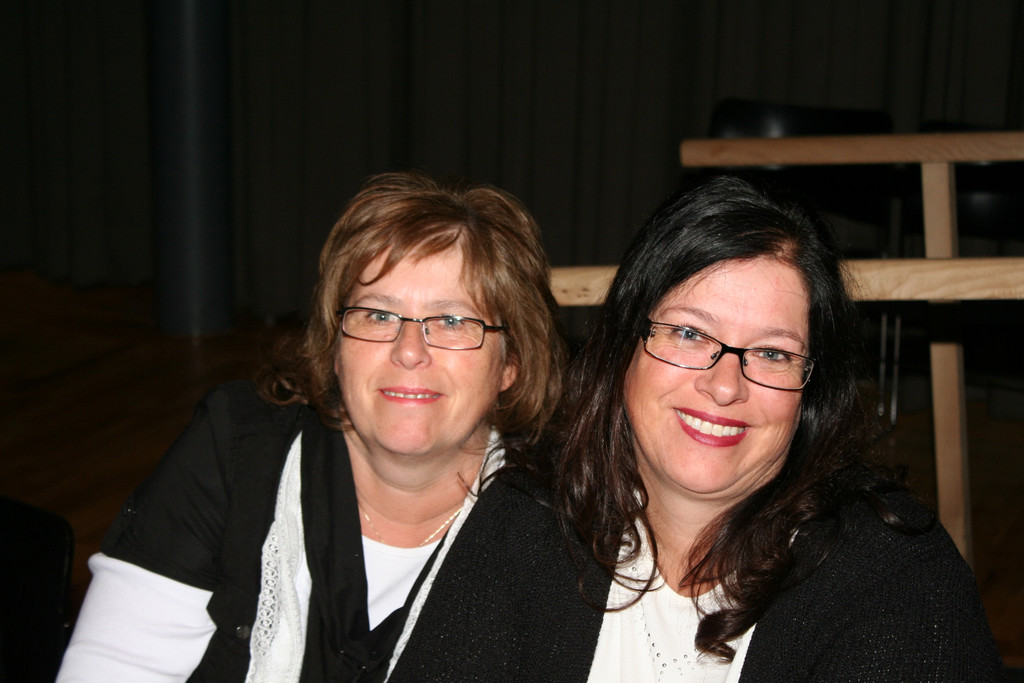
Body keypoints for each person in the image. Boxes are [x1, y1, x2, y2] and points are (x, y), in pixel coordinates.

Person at [58, 170, 604, 682]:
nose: (409, 350)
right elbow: (117, 665)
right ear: (334, 345)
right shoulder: (237, 450)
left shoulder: (564, 519)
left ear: (511, 364)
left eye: (452, 320)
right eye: (378, 315)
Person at [556, 174, 1004, 681]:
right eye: (689, 332)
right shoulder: (526, 528)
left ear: (811, 391)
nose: (724, 386)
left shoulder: (901, 587)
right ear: (624, 345)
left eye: (772, 353)